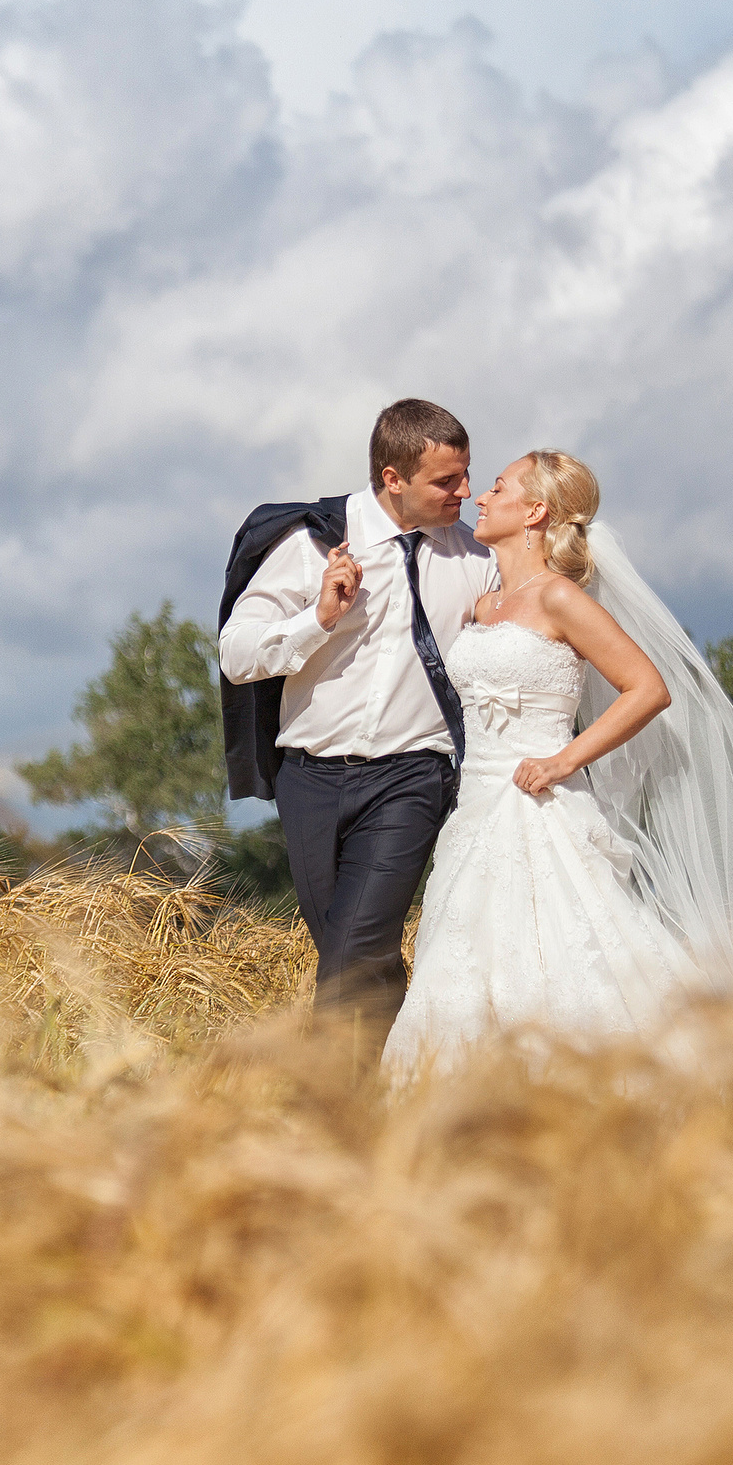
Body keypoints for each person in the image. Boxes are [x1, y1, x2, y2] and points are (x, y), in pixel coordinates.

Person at [382, 450, 733, 1079]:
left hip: (537, 806)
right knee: (465, 965)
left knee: (565, 961)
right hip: (475, 812)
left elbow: (649, 688)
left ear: (535, 511)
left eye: (496, 487)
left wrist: (563, 760)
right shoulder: (483, 607)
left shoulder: (561, 599)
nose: (480, 498)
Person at [217, 399, 496, 1057]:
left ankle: (324, 1113)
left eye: (467, 475)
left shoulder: (477, 558)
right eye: (446, 481)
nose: (466, 492)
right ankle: (396, 1086)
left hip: (412, 777)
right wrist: (318, 617)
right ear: (392, 478)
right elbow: (236, 655)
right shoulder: (310, 543)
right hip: (309, 779)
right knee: (355, 950)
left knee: (354, 947)